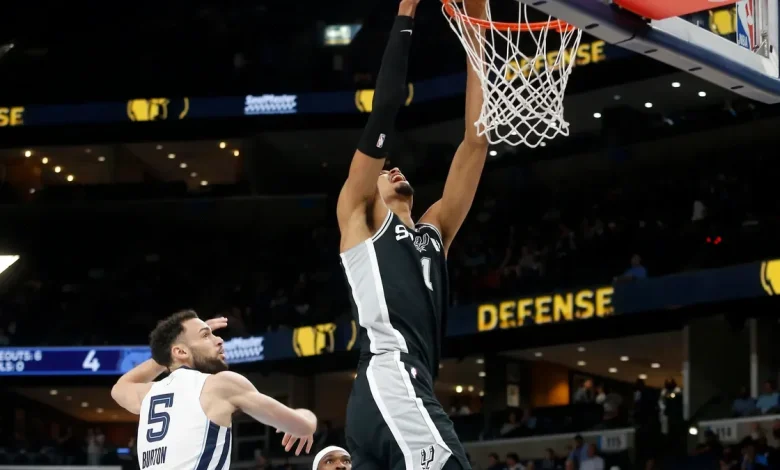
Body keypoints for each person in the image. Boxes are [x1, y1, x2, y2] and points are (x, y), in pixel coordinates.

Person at [337, 0, 489, 469]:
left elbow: (477, 139)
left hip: (407, 384)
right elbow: (384, 109)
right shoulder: (361, 218)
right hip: (390, 374)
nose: (393, 168)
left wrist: (476, 30)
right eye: (385, 170)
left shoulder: (434, 233)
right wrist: (404, 12)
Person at [110, 310, 318, 470]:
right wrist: (306, 414)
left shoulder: (148, 395)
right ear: (181, 351)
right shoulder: (219, 384)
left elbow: (120, 388)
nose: (219, 339)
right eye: (206, 336)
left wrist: (172, 354)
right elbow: (303, 427)